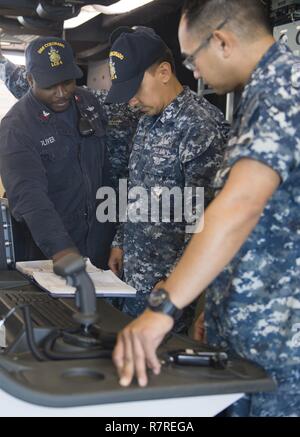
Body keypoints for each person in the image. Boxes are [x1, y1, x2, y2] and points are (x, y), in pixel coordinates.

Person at [113, 0, 300, 417]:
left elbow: (239, 207)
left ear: (222, 41)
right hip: (244, 332)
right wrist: (211, 301)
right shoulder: (262, 94)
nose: (192, 71)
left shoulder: (283, 89)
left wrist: (164, 308)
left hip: (278, 347)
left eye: (191, 58)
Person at [105, 27, 230, 332]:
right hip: (132, 277)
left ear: (163, 72)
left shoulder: (200, 126)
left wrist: (175, 282)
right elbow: (136, 188)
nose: (131, 102)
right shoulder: (148, 119)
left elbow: (206, 219)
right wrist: (120, 240)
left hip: (168, 289)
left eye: (135, 89)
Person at [0, 37, 116, 267]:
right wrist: (62, 251)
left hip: (100, 244)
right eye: (50, 86)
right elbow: (29, 196)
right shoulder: (16, 128)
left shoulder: (87, 102)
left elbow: (105, 172)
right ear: (30, 80)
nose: (62, 92)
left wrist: (115, 239)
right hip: (50, 254)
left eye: (67, 82)